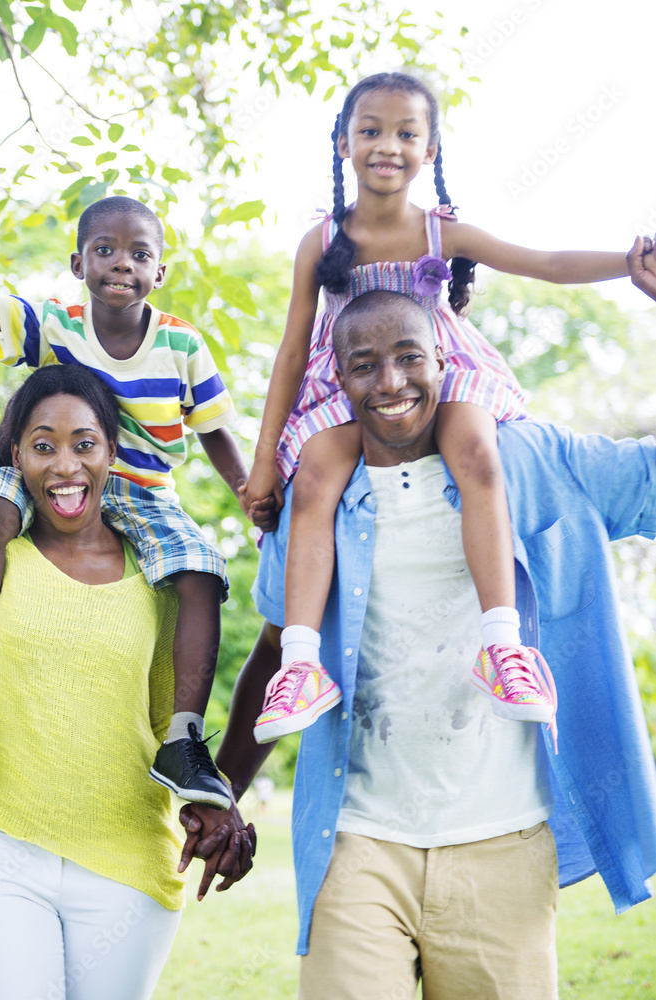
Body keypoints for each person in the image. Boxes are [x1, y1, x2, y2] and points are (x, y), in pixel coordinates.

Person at [180, 262, 656, 998]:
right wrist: (226, 795)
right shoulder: (315, 496)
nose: (391, 384)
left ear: (446, 358)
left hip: (503, 842)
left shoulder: (533, 462)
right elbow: (274, 652)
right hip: (359, 841)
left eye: (409, 359)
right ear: (337, 379)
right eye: (364, 367)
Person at [0, 215, 234, 1000]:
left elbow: (165, 712)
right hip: (1, 854)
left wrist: (212, 801)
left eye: (85, 444)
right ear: (15, 453)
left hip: (128, 864)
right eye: (43, 444)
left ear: (113, 454)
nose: (64, 464)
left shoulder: (159, 570)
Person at [241, 71, 640, 746]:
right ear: (342, 143)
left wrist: (627, 263)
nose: (386, 145)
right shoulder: (321, 240)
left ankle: (503, 646)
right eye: (369, 130)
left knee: (478, 455)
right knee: (312, 481)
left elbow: (543, 260)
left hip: (440, 371)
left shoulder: (439, 232)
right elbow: (289, 352)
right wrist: (261, 465)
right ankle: (302, 665)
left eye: (405, 133)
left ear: (429, 150)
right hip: (350, 381)